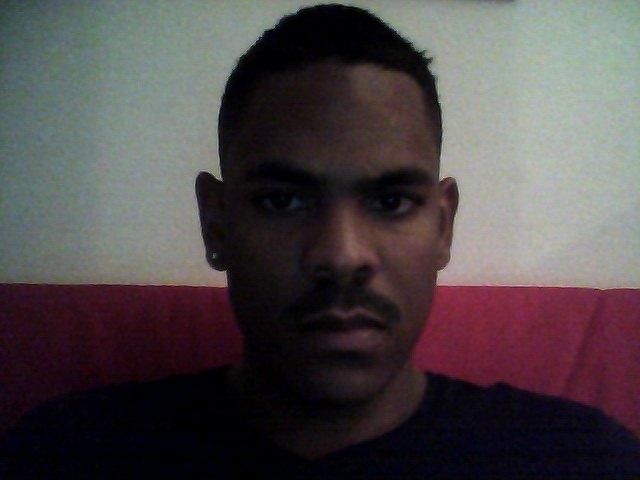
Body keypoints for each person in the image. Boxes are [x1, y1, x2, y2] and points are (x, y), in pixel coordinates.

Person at [3, 4, 639, 478]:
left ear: (443, 226)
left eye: (391, 201)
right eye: (283, 200)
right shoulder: (64, 453)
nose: (340, 255)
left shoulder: (582, 459)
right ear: (215, 224)